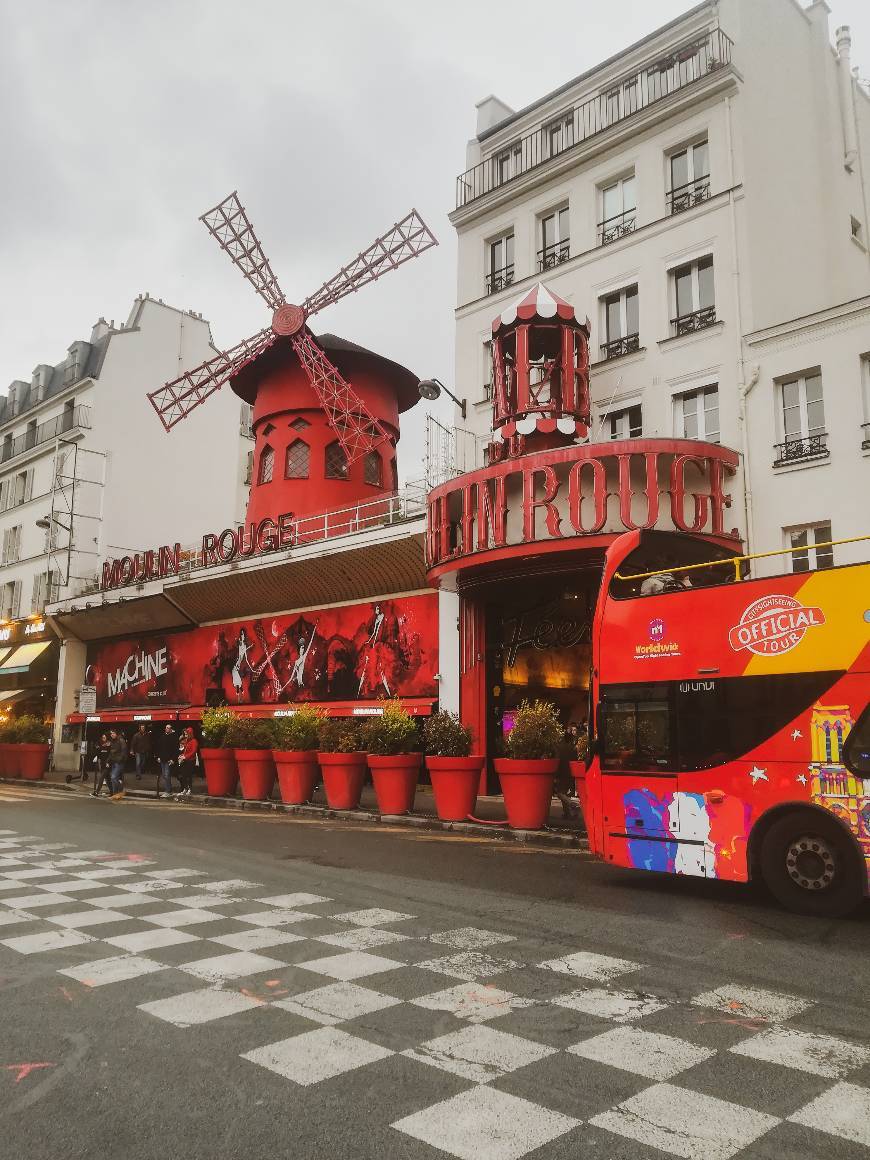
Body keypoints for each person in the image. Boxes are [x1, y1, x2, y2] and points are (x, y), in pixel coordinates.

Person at [176, 727, 199, 799]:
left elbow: (193, 751)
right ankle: (185, 788)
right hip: (185, 760)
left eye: (186, 734)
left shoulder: (194, 741)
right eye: (185, 734)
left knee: (188, 775)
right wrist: (181, 755)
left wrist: (185, 757)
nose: (185, 735)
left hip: (190, 760)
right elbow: (184, 750)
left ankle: (189, 789)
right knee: (183, 775)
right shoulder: (186, 740)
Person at [157, 723, 178, 798]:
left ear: (171, 729)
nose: (167, 729)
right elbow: (160, 747)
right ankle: (169, 790)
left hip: (168, 760)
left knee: (167, 775)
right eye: (166, 727)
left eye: (169, 728)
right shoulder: (163, 737)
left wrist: (173, 759)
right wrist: (159, 756)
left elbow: (175, 749)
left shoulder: (173, 737)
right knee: (164, 775)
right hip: (163, 758)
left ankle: (167, 791)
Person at [107, 730, 128, 800]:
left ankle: (120, 790)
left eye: (113, 733)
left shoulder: (121, 740)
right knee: (113, 778)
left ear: (116, 734)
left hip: (119, 762)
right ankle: (115, 794)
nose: (112, 734)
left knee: (113, 777)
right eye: (111, 733)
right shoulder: (112, 741)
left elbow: (124, 751)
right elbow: (111, 752)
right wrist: (108, 761)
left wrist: (120, 760)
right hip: (113, 762)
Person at [91, 733, 111, 797]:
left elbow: (110, 754)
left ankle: (96, 792)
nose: (104, 738)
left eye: (105, 737)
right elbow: (98, 752)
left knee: (101, 777)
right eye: (103, 737)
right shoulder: (101, 745)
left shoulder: (109, 744)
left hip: (107, 764)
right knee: (108, 779)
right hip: (102, 763)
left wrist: (109, 762)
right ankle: (112, 791)